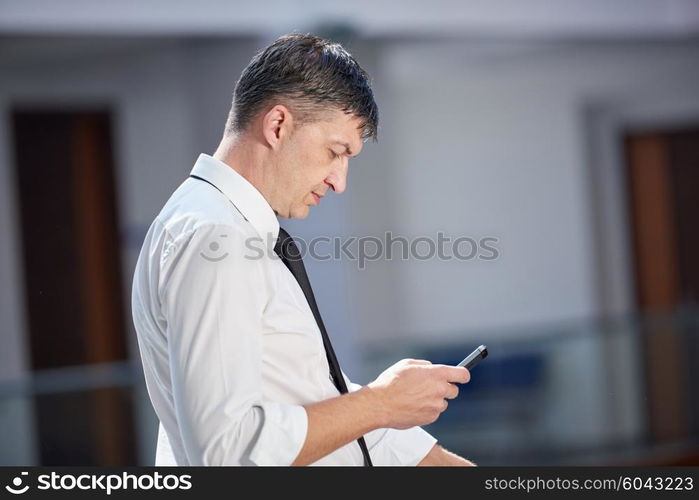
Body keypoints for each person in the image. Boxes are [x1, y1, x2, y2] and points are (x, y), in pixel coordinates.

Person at [131, 33, 475, 466]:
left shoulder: (234, 230)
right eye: (335, 152)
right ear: (278, 125)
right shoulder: (214, 236)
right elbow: (227, 450)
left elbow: (313, 395)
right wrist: (380, 403)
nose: (339, 181)